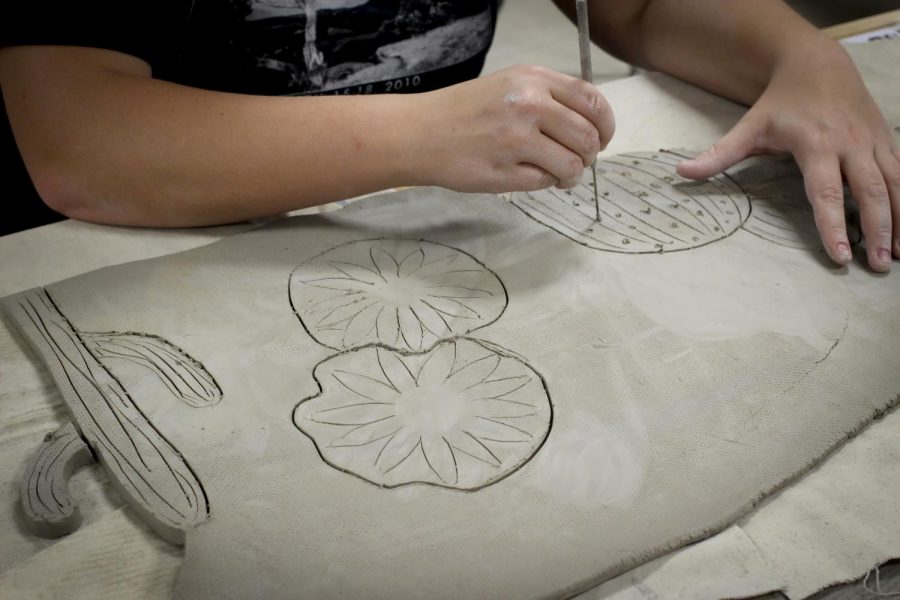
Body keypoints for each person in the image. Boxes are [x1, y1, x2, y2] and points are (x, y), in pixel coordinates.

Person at [1, 1, 897, 273]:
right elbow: (80, 142)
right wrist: (418, 132)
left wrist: (799, 54)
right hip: (109, 250)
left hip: (400, 239)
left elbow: (635, 7)